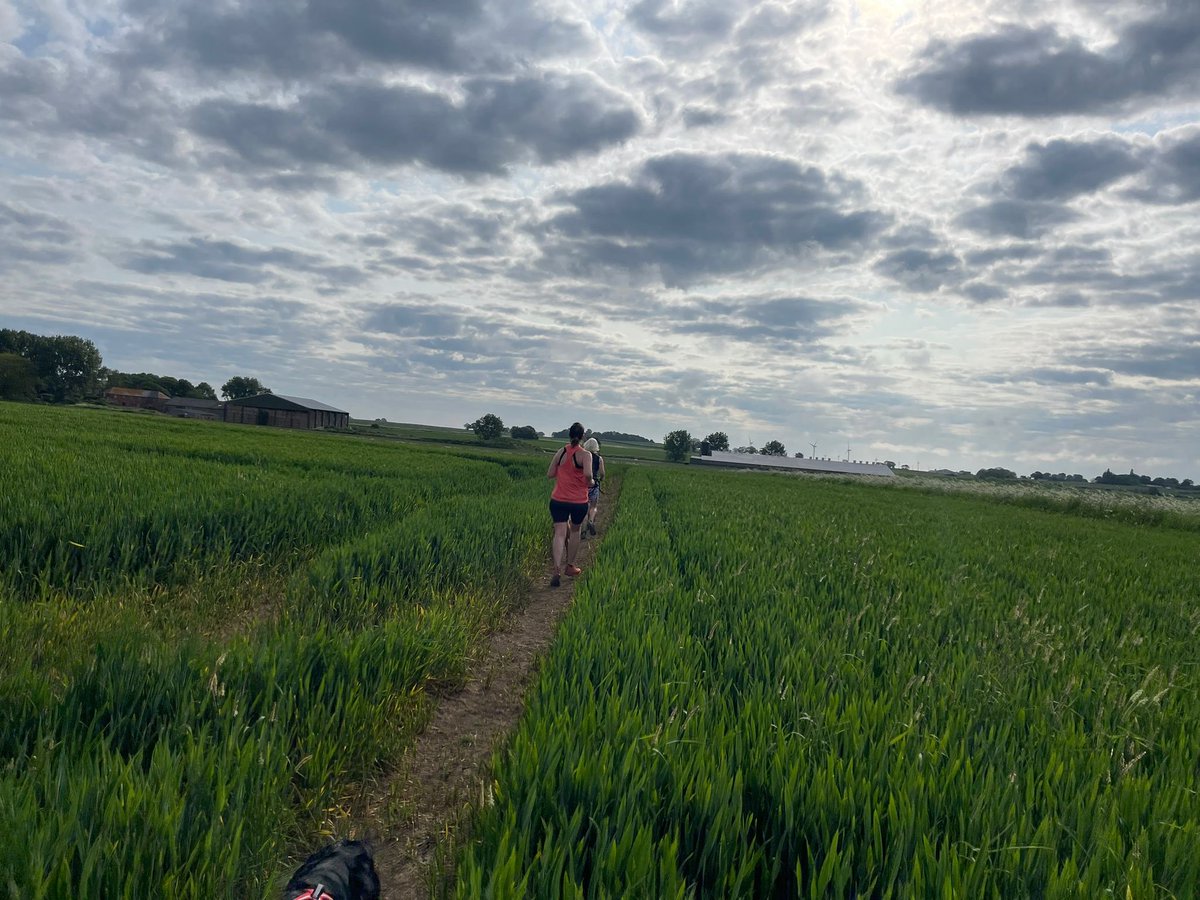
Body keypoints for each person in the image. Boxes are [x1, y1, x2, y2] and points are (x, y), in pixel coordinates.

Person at [547, 422, 593, 587]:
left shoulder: (561, 452)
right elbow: (588, 474)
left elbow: (550, 474)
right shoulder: (585, 455)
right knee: (575, 531)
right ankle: (570, 566)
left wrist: (565, 475)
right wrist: (590, 481)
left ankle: (556, 569)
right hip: (578, 501)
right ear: (583, 437)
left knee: (559, 534)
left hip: (558, 499)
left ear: (569, 435)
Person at [581, 437, 605, 539]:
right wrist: (601, 479)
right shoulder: (599, 459)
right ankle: (591, 521)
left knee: (584, 508)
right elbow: (602, 473)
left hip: (583, 485)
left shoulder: (583, 456)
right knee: (593, 506)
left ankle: (582, 531)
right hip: (594, 485)